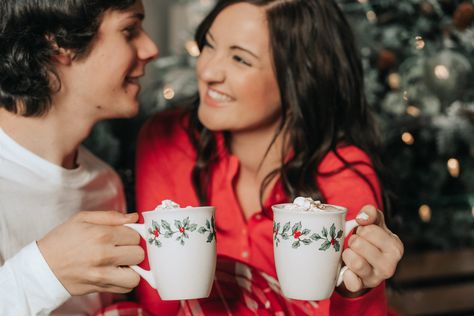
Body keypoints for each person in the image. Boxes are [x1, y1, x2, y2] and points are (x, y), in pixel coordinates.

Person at [135, 0, 404, 315]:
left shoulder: (343, 175)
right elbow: (160, 302)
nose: (207, 71)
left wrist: (359, 290)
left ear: (300, 77)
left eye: (240, 59)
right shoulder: (168, 141)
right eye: (208, 45)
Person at [0, 0, 158, 315]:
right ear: (59, 43)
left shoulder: (106, 184)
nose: (150, 48)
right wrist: (46, 271)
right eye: (130, 30)